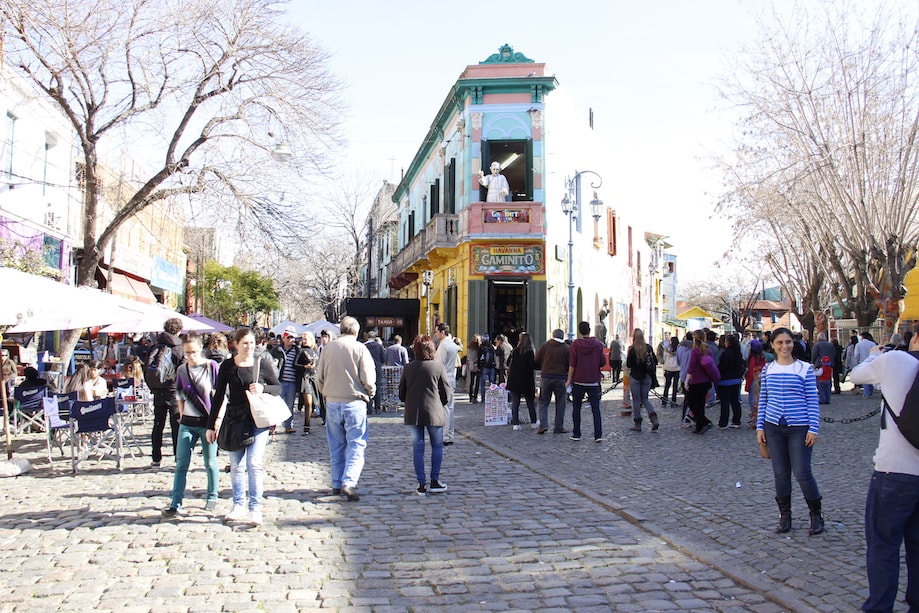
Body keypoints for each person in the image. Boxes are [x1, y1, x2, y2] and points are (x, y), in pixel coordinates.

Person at [849, 329, 919, 612]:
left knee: (883, 545)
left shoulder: (896, 360)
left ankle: (879, 607)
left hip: (894, 471)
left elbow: (855, 375)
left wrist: (875, 355)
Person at [205, 328, 280, 525]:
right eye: (245, 343)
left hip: (258, 419)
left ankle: (256, 508)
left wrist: (264, 388)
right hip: (235, 418)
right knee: (236, 465)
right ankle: (239, 504)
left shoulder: (261, 362)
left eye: (252, 343)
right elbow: (219, 395)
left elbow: (277, 387)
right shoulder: (228, 366)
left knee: (254, 463)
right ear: (236, 344)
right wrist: (211, 425)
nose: (249, 347)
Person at [756, 327, 824, 536]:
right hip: (773, 426)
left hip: (799, 427)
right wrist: (760, 427)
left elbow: (812, 400)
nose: (785, 346)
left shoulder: (804, 368)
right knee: (780, 474)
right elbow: (764, 399)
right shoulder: (768, 370)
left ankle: (816, 514)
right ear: (773, 346)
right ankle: (785, 516)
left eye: (788, 342)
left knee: (802, 472)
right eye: (780, 343)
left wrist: (813, 428)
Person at [315, 316, 376, 502]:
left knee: (336, 444)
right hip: (354, 401)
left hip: (333, 401)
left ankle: (336, 482)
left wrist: (326, 392)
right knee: (356, 443)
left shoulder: (328, 349)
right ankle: (349, 482)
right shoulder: (360, 348)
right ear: (356, 332)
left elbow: (319, 376)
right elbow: (368, 377)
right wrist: (370, 392)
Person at [163, 333, 220, 517]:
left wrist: (217, 421)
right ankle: (176, 501)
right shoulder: (181, 370)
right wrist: (181, 417)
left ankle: (212, 495)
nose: (191, 356)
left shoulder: (211, 367)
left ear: (201, 349)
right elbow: (179, 395)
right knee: (181, 464)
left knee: (210, 462)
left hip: (207, 423)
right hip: (187, 423)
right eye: (187, 353)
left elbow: (219, 396)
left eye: (194, 352)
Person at [399, 335, 450, 495]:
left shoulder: (408, 368)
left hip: (414, 412)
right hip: (434, 412)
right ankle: (434, 480)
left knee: (418, 449)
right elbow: (446, 393)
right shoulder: (438, 367)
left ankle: (421, 484)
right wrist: (439, 403)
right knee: (437, 446)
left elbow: (401, 393)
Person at [147, 318, 184, 469]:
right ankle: (178, 457)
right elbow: (183, 372)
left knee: (158, 424)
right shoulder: (179, 348)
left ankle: (156, 458)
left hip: (158, 390)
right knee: (176, 424)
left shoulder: (156, 346)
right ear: (179, 330)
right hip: (173, 390)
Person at [566, 321, 607, 443]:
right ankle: (598, 434)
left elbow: (572, 363)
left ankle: (577, 433)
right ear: (590, 330)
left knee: (576, 408)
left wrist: (569, 379)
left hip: (579, 380)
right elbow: (603, 362)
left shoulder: (575, 345)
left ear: (579, 331)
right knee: (596, 408)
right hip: (593, 380)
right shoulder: (598, 345)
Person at [534, 329, 570, 434]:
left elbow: (536, 359)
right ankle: (558, 427)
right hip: (561, 377)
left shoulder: (545, 346)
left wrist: (543, 366)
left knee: (543, 402)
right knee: (560, 403)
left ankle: (543, 425)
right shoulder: (566, 348)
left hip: (546, 376)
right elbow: (570, 363)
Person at [685, 330, 721, 435]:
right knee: (700, 404)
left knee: (692, 403)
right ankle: (699, 426)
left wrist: (686, 381)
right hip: (706, 381)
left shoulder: (695, 351)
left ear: (694, 339)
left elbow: (691, 367)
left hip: (696, 381)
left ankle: (705, 422)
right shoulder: (707, 350)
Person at [625, 328, 659, 432]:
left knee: (636, 400)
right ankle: (654, 419)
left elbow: (628, 364)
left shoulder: (632, 349)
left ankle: (637, 424)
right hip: (647, 377)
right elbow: (656, 361)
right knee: (645, 400)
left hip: (635, 377)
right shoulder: (648, 347)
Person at [270, 325, 301, 433]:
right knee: (275, 404)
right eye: (288, 337)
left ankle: (288, 425)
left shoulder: (297, 351)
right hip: (279, 381)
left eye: (293, 338)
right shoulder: (276, 350)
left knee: (290, 405)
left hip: (292, 382)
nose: (291, 340)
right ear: (283, 337)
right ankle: (272, 426)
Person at [506, 331, 537, 431]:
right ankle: (533, 422)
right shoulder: (529, 352)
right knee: (530, 402)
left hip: (514, 379)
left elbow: (508, 362)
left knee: (515, 403)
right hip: (526, 380)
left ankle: (516, 424)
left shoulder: (515, 351)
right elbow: (532, 365)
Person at [433, 323, 458, 445]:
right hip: (450, 378)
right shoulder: (452, 344)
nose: (435, 334)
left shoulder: (443, 345)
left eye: (437, 332)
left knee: (445, 408)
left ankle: (446, 436)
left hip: (443, 379)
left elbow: (438, 365)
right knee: (450, 408)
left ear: (443, 332)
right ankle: (450, 434)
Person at [716, 335, 744, 429]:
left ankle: (723, 423)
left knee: (725, 402)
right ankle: (737, 421)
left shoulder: (725, 353)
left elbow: (722, 367)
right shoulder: (738, 353)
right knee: (735, 401)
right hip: (736, 380)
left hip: (725, 380)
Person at [296, 331, 320, 434]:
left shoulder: (315, 351)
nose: (304, 341)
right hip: (305, 378)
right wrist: (304, 367)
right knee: (308, 403)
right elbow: (295, 364)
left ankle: (309, 423)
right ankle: (307, 426)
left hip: (314, 377)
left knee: (315, 402)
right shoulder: (300, 351)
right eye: (303, 339)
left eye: (306, 339)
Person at [364, 330, 386, 414]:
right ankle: (377, 408)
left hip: (367, 369)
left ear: (367, 337)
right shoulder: (379, 346)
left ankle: (369, 408)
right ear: (374, 337)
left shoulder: (364, 346)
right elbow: (383, 359)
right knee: (378, 388)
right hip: (377, 369)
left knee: (367, 388)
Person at [854, 331, 878, 398]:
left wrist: (857, 361)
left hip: (862, 362)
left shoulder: (858, 345)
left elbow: (856, 355)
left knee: (864, 378)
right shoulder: (873, 344)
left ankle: (867, 393)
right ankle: (870, 391)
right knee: (870, 378)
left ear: (862, 337)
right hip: (872, 362)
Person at [661, 336, 681, 408]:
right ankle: (673, 402)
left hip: (668, 368)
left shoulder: (666, 349)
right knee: (675, 386)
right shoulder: (679, 349)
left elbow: (664, 358)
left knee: (667, 386)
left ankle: (664, 402)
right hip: (677, 369)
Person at [477, 335, 497, 400]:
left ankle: (483, 398)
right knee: (492, 383)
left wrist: (479, 366)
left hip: (484, 367)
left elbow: (479, 357)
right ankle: (493, 397)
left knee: (483, 383)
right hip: (492, 366)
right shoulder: (491, 347)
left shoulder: (481, 347)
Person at [466, 335, 482, 404]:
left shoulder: (469, 347)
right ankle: (475, 397)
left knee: (471, 383)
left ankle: (470, 397)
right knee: (477, 382)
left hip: (471, 366)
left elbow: (468, 357)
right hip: (477, 366)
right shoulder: (479, 348)